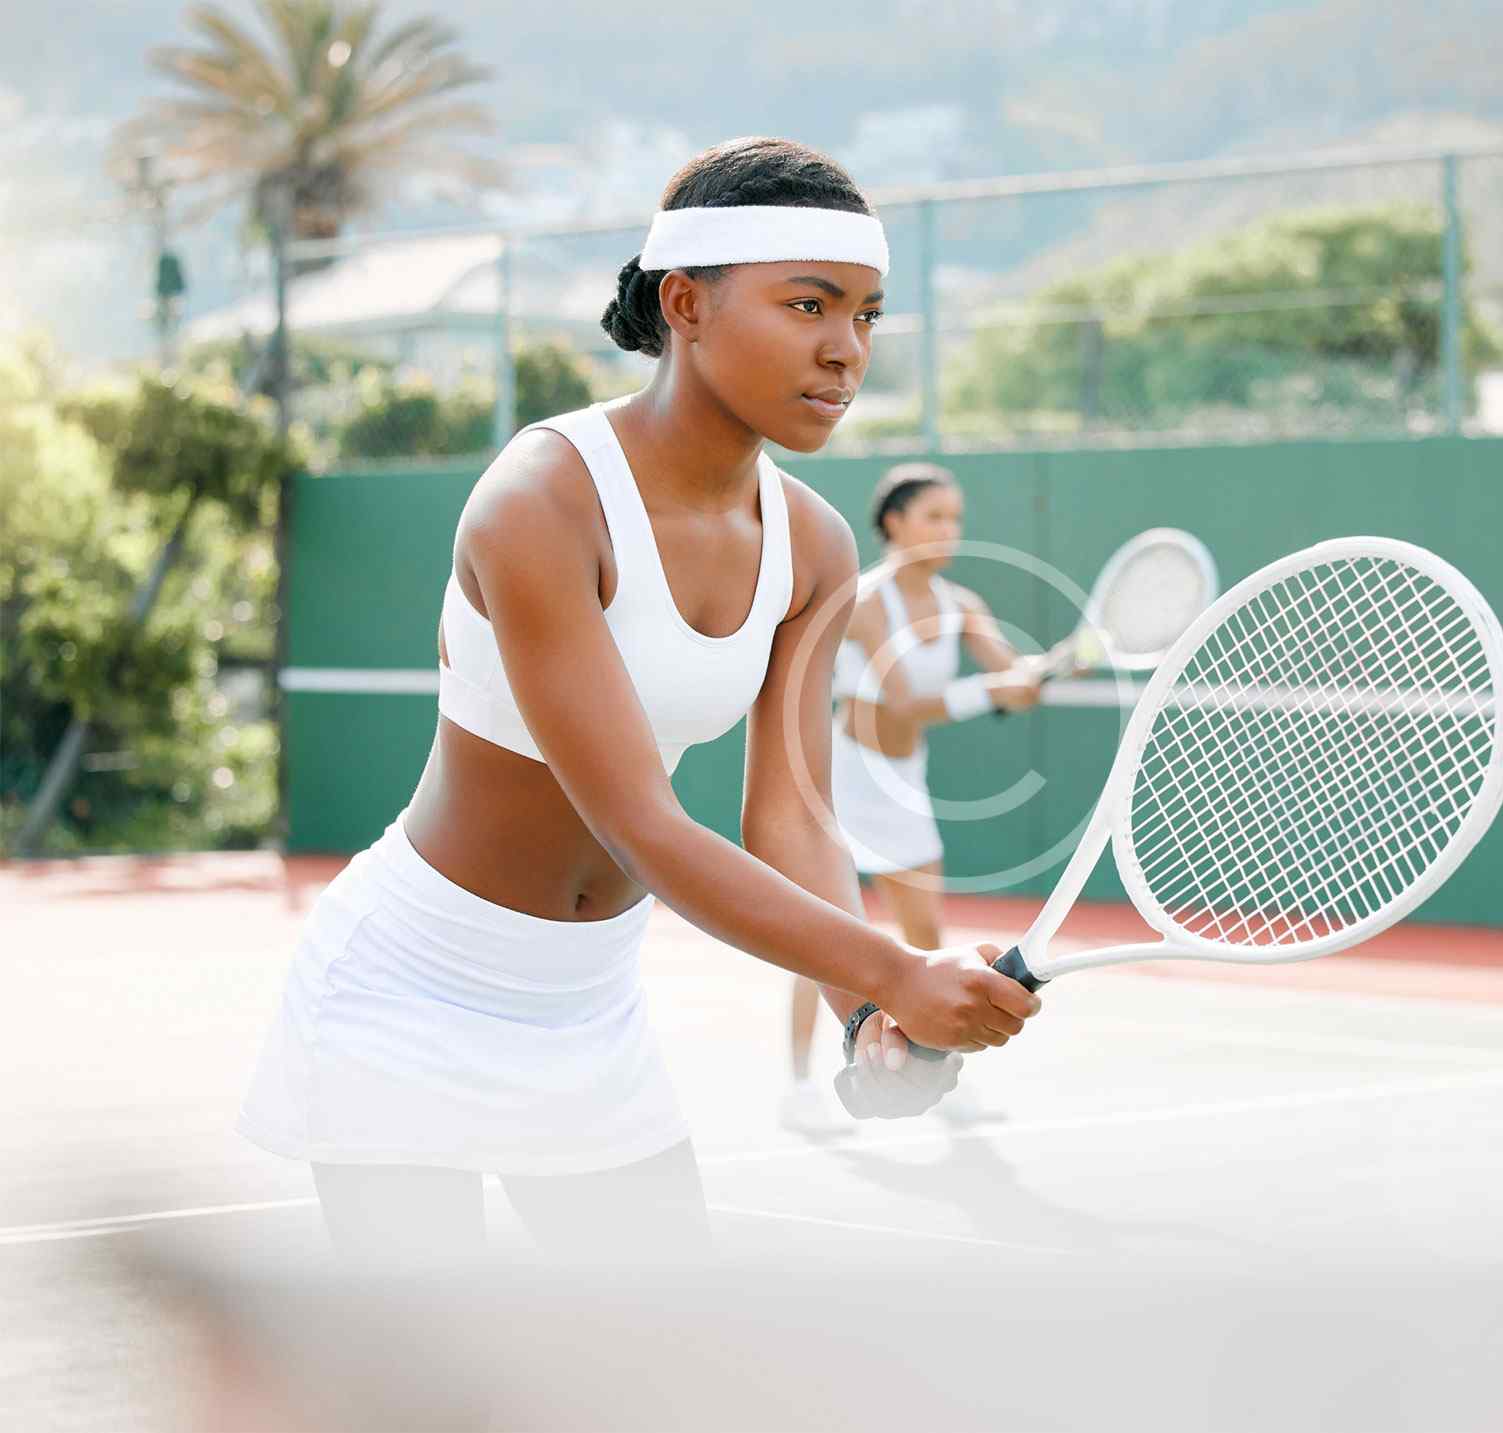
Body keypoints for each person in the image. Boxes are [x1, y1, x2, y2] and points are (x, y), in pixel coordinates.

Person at [237, 137, 1041, 1268]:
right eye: (807, 303)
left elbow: (796, 815)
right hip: (408, 991)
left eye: (867, 313)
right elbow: (641, 825)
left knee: (669, 1370)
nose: (845, 348)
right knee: (431, 1381)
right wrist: (893, 968)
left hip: (590, 1009)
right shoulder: (544, 496)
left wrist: (869, 1017)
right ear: (685, 304)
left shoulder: (812, 542)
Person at [781, 464, 1045, 1134]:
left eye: (955, 519)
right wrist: (994, 691)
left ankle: (940, 1078)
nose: (948, 530)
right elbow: (904, 700)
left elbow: (1010, 674)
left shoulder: (961, 603)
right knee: (827, 941)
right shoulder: (866, 599)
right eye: (934, 516)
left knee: (928, 938)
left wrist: (1024, 681)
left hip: (905, 785)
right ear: (894, 523)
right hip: (844, 781)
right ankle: (799, 1087)